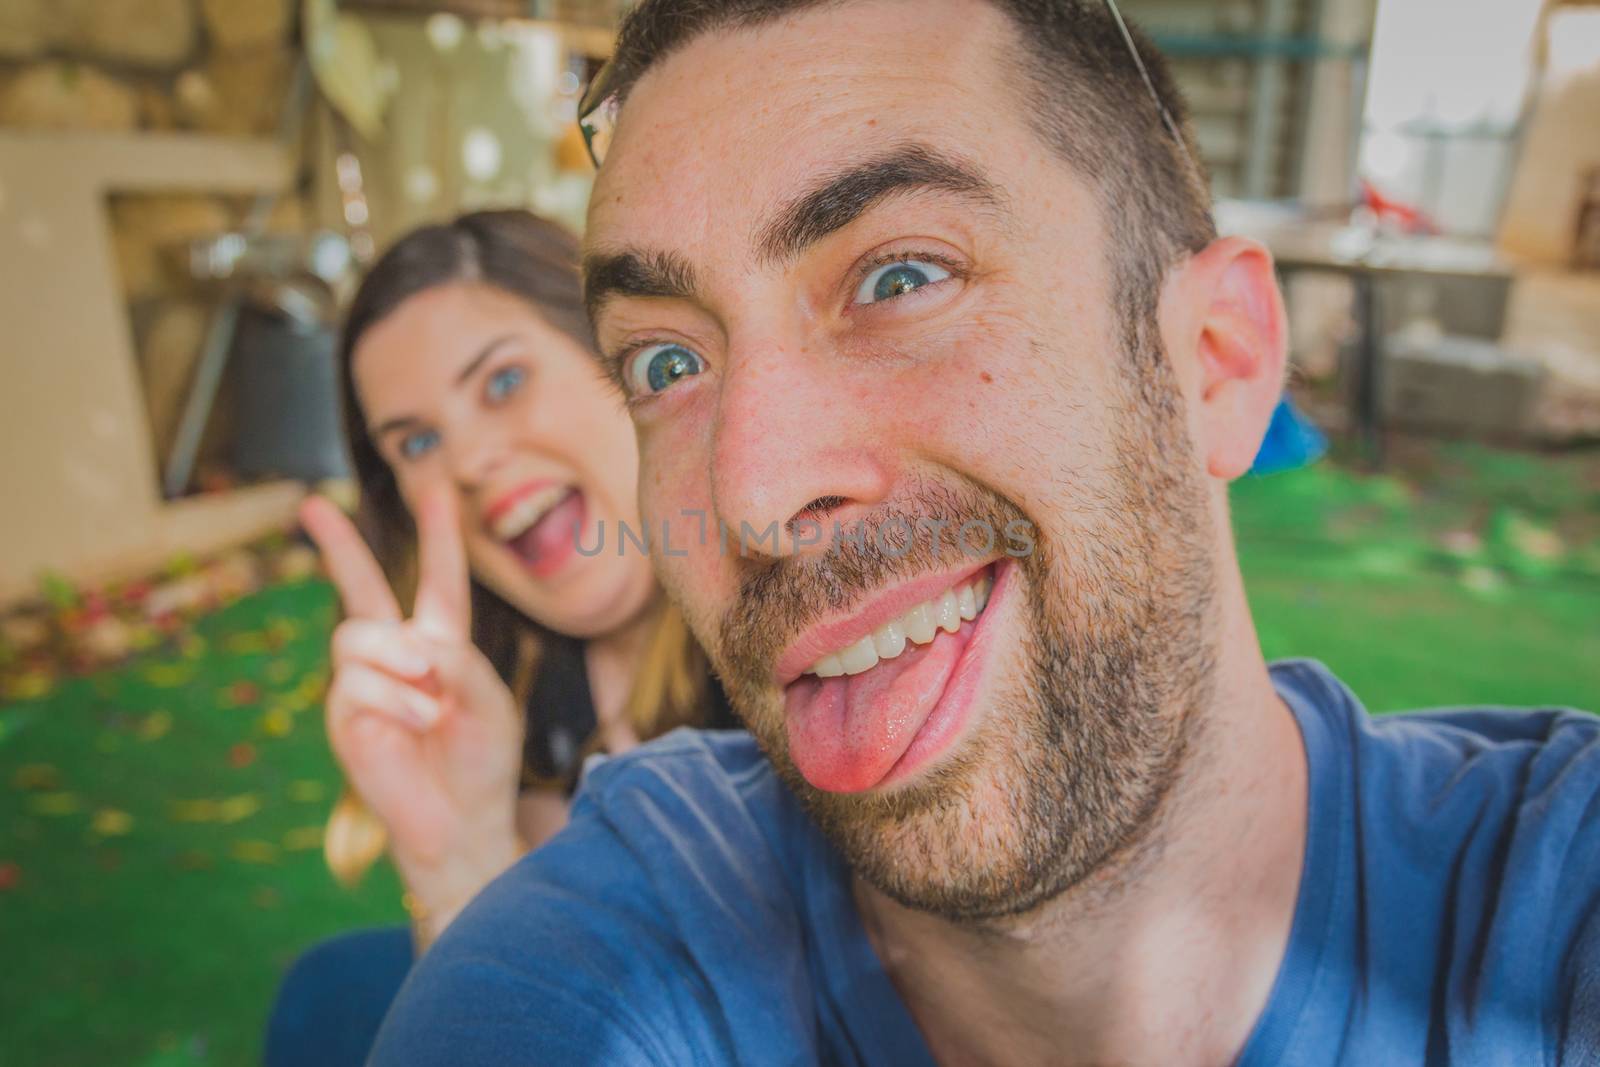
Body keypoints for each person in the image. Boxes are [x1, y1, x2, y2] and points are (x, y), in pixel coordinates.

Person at [371, 3, 1600, 1065]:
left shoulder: (1553, 917)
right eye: (667, 359)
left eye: (900, 277)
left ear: (1218, 363)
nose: (749, 493)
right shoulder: (614, 953)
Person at [264, 210, 737, 1066]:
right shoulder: (507, 673)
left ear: (620, 355)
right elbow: (529, 1012)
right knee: (325, 994)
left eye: (503, 381)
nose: (470, 461)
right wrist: (457, 865)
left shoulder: (785, 624)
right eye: (416, 441)